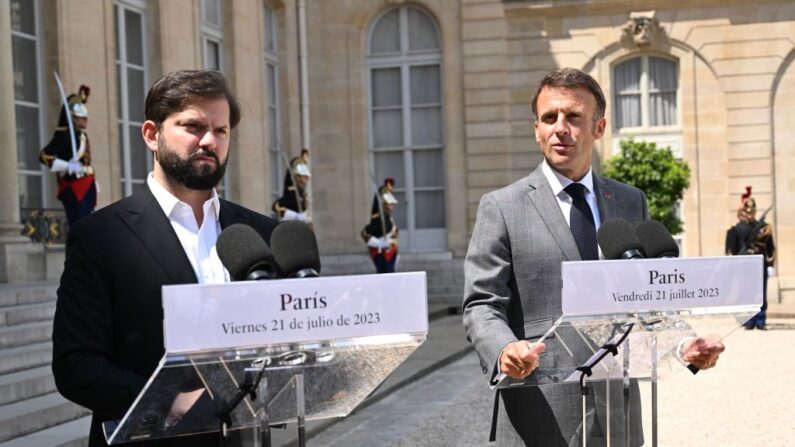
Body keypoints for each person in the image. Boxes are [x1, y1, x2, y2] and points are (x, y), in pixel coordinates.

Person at [462, 68, 724, 446]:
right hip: (539, 411)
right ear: (536, 128)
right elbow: (481, 304)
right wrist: (504, 348)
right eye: (549, 118)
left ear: (598, 127)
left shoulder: (630, 201)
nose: (560, 128)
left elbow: (648, 298)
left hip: (620, 412)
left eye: (573, 117)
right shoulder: (501, 207)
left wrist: (684, 346)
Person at [51, 70, 279, 447]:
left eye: (220, 131)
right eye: (193, 126)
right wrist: (169, 401)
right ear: (151, 135)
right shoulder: (101, 237)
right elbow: (76, 366)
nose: (209, 140)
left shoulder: (262, 234)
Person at [39, 85, 97, 225]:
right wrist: (67, 166)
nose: (85, 120)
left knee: (87, 226)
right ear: (74, 118)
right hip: (73, 187)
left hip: (87, 184)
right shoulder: (64, 135)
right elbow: (44, 156)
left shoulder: (82, 136)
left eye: (85, 117)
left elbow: (87, 161)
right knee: (78, 226)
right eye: (81, 118)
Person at [725, 186, 776, 330]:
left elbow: (770, 246)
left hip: (760, 263)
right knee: (746, 293)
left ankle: (760, 320)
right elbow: (734, 247)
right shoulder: (739, 228)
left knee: (761, 293)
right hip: (745, 264)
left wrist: (771, 263)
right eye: (747, 211)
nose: (750, 214)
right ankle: (748, 320)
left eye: (752, 211)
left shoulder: (764, 227)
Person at [361, 178, 399, 273]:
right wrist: (379, 243)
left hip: (391, 254)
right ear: (384, 205)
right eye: (390, 204)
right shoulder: (378, 221)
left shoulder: (388, 218)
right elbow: (365, 233)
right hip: (382, 255)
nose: (392, 206)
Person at [272, 149, 312, 225]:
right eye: (303, 177)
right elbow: (276, 206)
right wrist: (297, 217)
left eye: (306, 177)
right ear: (296, 177)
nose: (305, 181)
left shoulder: (303, 197)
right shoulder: (291, 195)